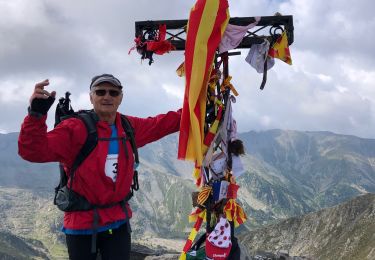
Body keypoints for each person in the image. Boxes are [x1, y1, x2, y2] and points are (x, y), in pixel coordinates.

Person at [18, 74, 181, 260]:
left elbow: (162, 124)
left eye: (113, 92)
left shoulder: (127, 126)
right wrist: (36, 115)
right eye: (100, 91)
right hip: (82, 225)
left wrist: (196, 109)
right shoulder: (75, 129)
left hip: (118, 221)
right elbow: (32, 151)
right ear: (91, 97)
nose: (107, 96)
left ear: (121, 97)